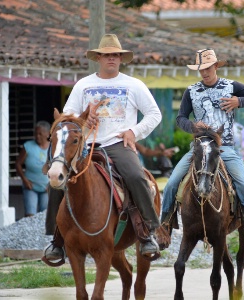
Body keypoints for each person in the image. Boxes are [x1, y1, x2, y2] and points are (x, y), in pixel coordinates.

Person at [43, 33, 162, 262]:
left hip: (118, 144)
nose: (112, 59)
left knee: (136, 176)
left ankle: (148, 232)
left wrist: (133, 132)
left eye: (116, 55)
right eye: (107, 55)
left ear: (121, 58)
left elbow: (154, 114)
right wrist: (83, 121)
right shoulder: (83, 85)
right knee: (56, 177)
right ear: (98, 57)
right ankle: (56, 241)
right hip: (85, 146)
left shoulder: (133, 85)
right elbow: (68, 118)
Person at [160, 48, 244, 253]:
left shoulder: (230, 86)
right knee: (173, 182)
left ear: (216, 66)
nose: (205, 72)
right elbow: (180, 118)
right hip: (198, 148)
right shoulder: (191, 91)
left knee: (243, 183)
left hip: (224, 148)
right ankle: (164, 226)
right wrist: (192, 127)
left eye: (208, 68)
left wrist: (238, 101)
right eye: (201, 69)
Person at [15, 121, 51, 217]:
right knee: (30, 215)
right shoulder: (28, 146)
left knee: (45, 216)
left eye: (40, 134)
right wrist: (25, 180)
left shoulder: (53, 148)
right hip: (30, 187)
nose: (37, 136)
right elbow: (18, 164)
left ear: (48, 134)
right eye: (36, 133)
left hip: (46, 188)